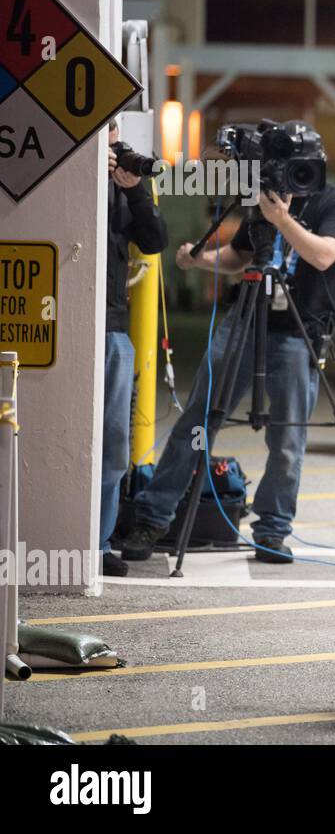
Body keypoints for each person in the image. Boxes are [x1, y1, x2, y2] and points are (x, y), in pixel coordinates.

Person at [118, 126, 335, 565]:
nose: (296, 177)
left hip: (298, 330)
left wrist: (283, 219)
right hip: (246, 322)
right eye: (288, 169)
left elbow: (323, 255)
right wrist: (199, 259)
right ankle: (152, 519)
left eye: (305, 169)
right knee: (199, 419)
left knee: (287, 439)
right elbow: (240, 256)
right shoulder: (262, 196)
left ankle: (272, 531)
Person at [99, 119, 168, 577]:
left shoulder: (123, 187)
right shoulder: (58, 170)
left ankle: (97, 543)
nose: (110, 139)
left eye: (112, 130)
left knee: (112, 446)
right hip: (63, 330)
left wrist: (135, 190)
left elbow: (155, 241)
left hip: (113, 329)